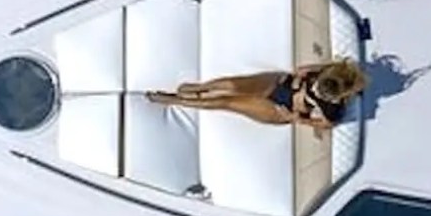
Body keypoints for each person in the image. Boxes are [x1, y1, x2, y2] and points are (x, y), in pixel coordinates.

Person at [149, 57, 365, 130]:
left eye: (320, 93)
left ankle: (175, 100)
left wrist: (296, 118)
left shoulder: (334, 109)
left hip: (281, 109)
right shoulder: (330, 72)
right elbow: (302, 69)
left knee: (226, 102)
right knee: (232, 85)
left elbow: (326, 125)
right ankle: (198, 88)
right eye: (318, 86)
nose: (316, 90)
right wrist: (308, 73)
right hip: (280, 83)